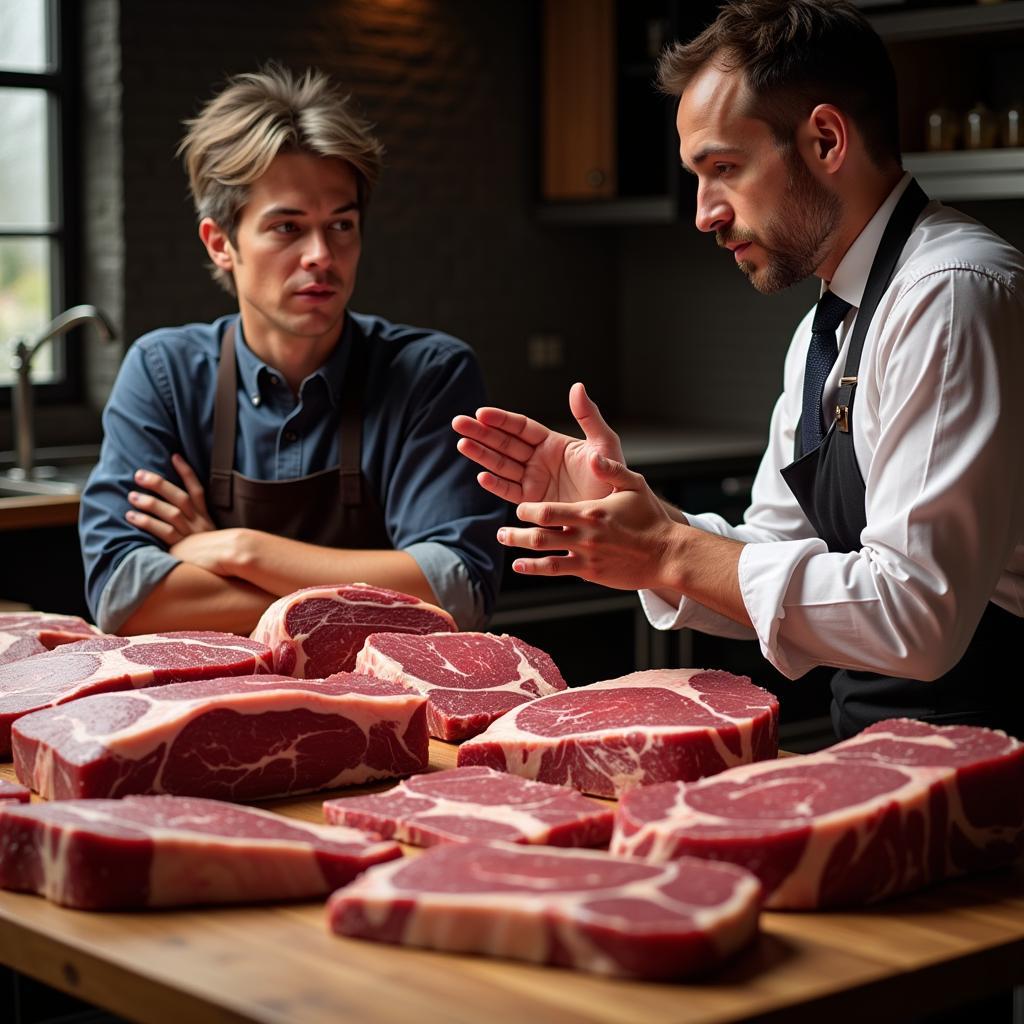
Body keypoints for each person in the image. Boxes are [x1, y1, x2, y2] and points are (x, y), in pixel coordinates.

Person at [454, 0, 1024, 739]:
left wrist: (669, 550)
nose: (703, 213)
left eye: (723, 168)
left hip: (991, 750)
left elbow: (918, 615)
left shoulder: (949, 294)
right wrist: (645, 529)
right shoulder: (829, 324)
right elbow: (775, 554)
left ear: (825, 140)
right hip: (893, 751)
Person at [80, 65, 504, 636]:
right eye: (287, 228)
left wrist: (237, 551)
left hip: (388, 706)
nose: (321, 256)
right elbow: (123, 597)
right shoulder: (163, 373)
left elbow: (456, 592)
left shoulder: (429, 374)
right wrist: (382, 589)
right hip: (218, 704)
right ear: (221, 243)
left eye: (342, 225)